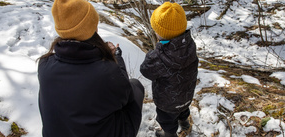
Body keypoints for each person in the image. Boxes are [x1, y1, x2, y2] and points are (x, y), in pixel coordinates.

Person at [37, 0, 144, 136]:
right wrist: (116, 58)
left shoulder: (44, 65)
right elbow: (126, 94)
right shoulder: (106, 72)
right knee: (136, 86)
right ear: (92, 27)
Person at [140, 2, 198, 137]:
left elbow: (145, 71)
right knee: (183, 110)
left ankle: (169, 134)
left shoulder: (158, 57)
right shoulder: (190, 45)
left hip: (167, 103)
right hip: (186, 95)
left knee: (167, 121)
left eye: (156, 30)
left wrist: (155, 51)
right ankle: (185, 124)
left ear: (161, 33)